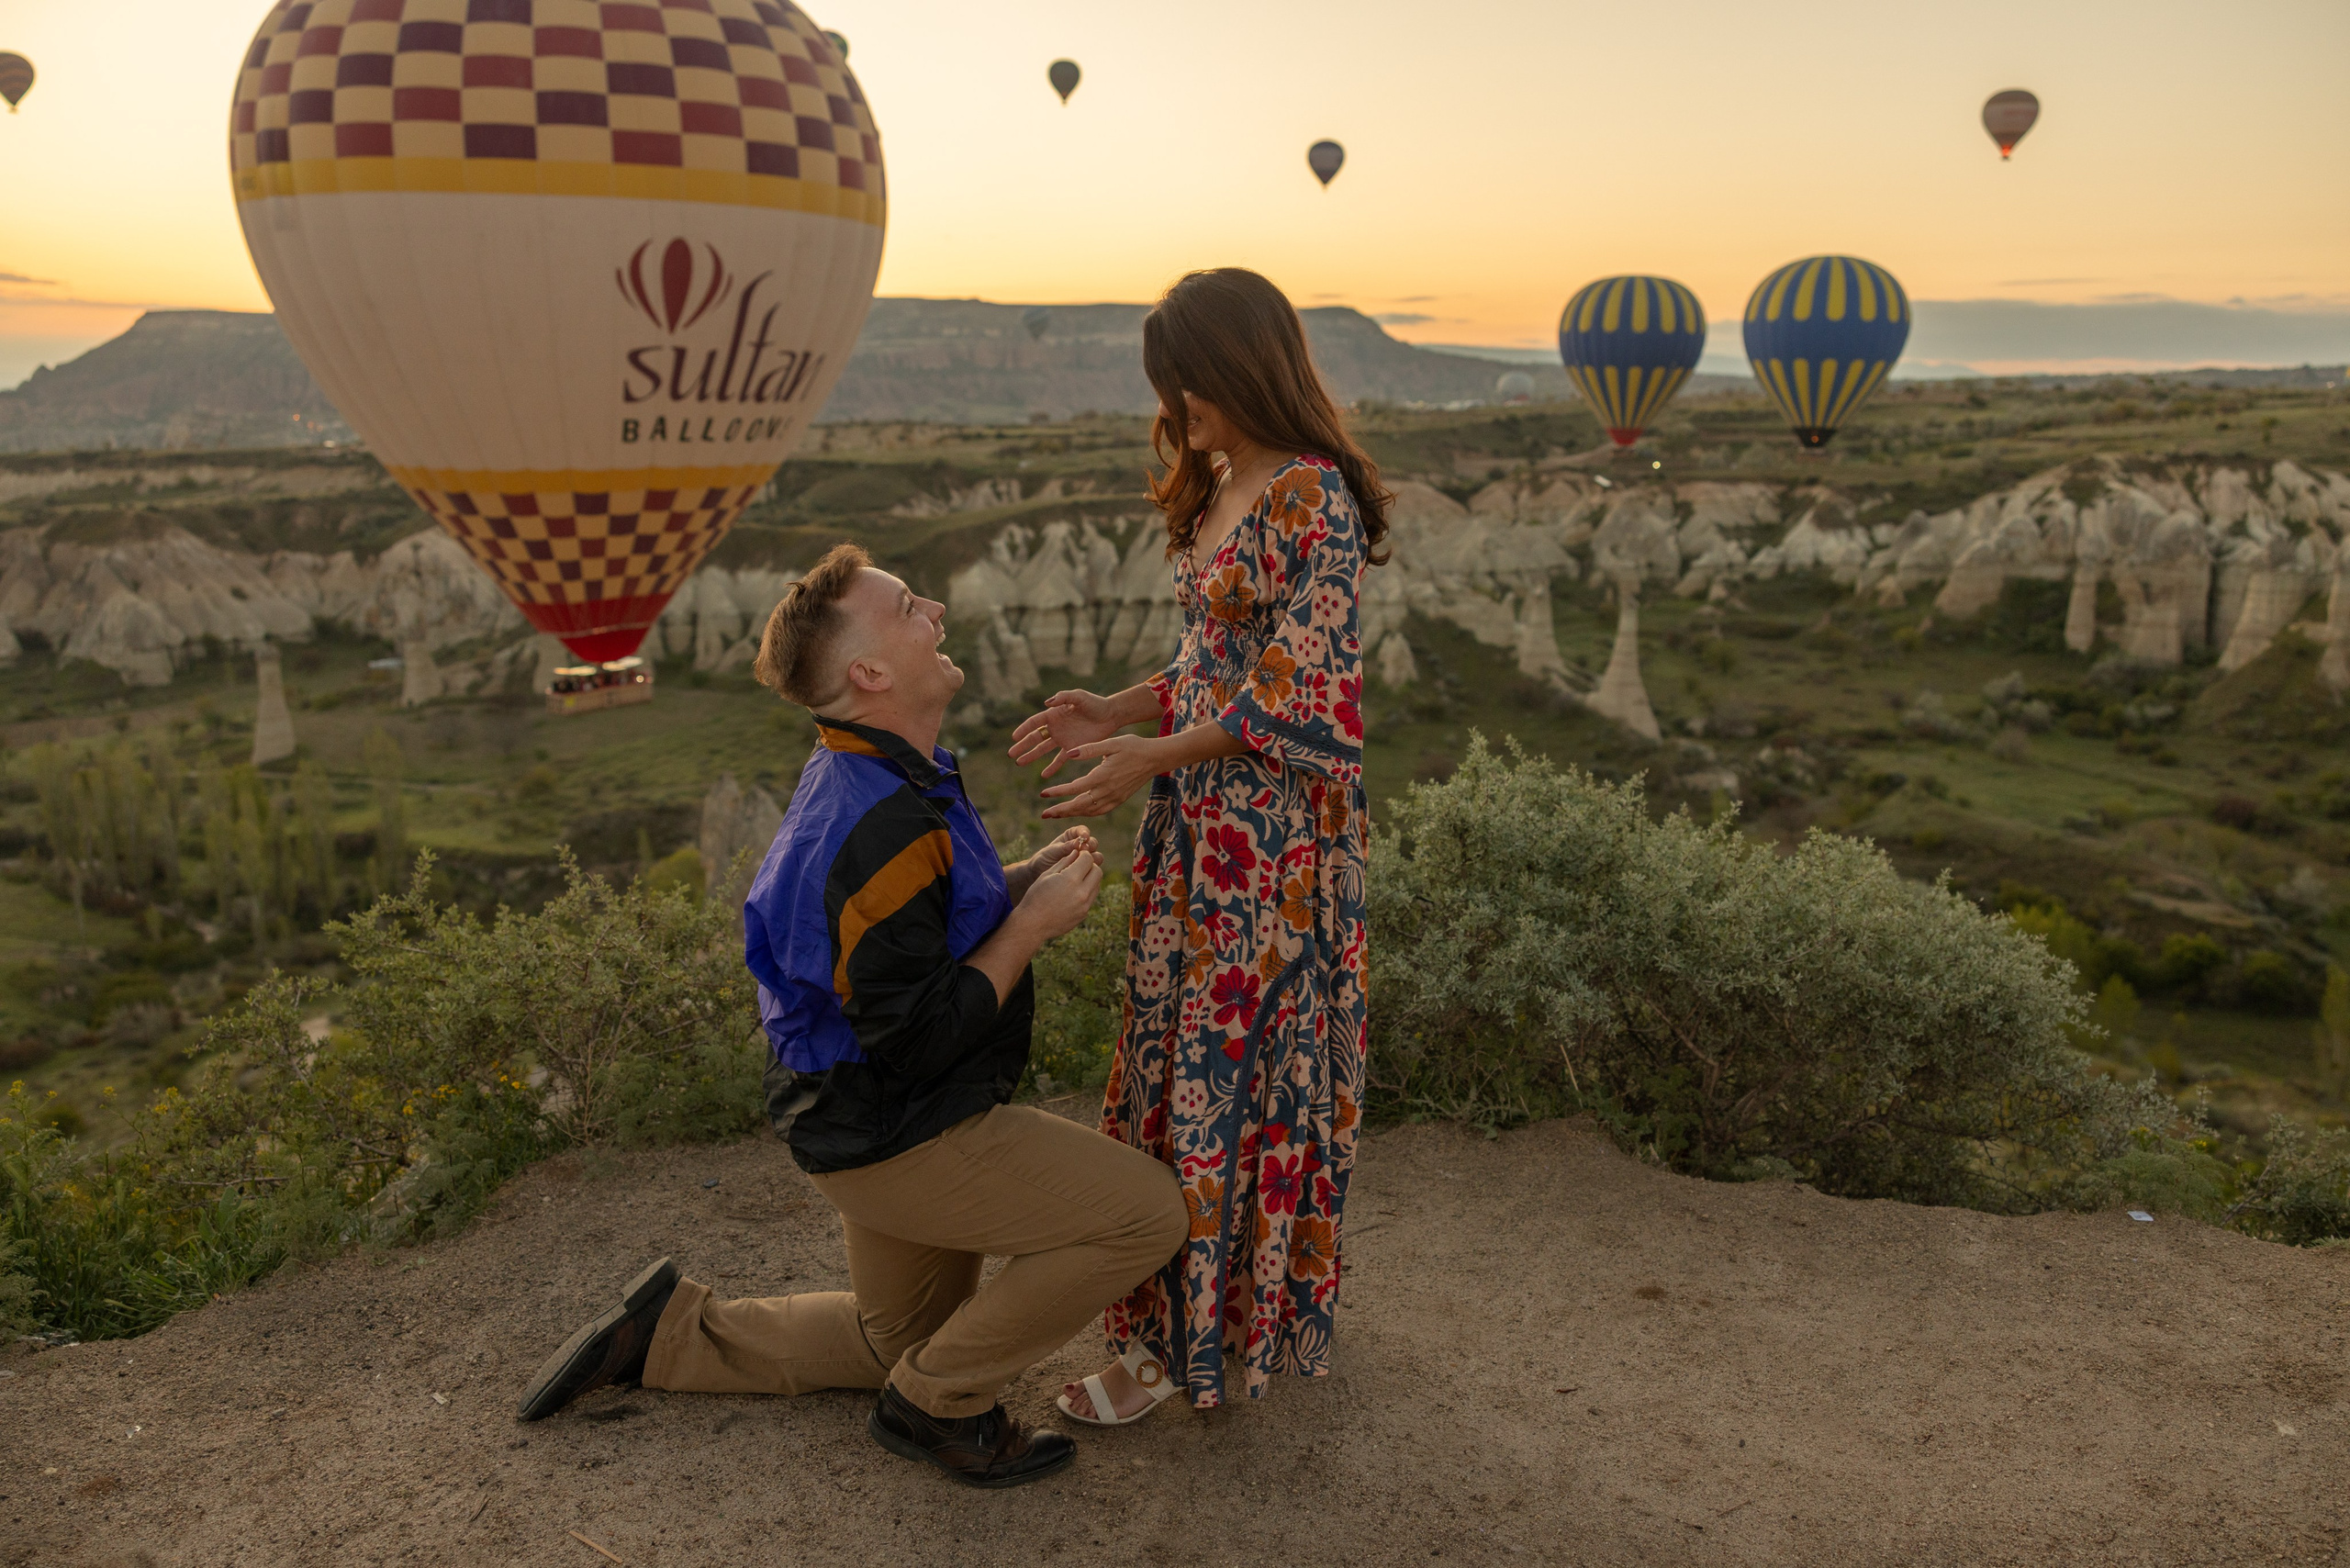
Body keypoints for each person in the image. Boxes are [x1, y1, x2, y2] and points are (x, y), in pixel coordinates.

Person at [517, 543, 1189, 1489]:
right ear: (870, 673)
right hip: (899, 1129)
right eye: (911, 607)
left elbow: (908, 933)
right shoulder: (877, 823)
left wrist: (1019, 882)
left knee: (894, 1341)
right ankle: (938, 1405)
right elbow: (918, 1035)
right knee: (1146, 1215)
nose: (938, 610)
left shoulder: (876, 773)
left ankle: (669, 1335)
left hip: (850, 1118)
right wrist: (1031, 927)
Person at [1007, 267, 1387, 1423]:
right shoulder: (1225, 482)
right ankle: (1188, 1321)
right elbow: (1209, 662)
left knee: (1234, 1070)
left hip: (1269, 847)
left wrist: (1149, 757)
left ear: (1236, 368)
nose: (1175, 408)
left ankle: (1182, 1347)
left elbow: (1301, 692)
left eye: (1187, 384)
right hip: (1198, 832)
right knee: (1178, 1060)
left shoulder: (1312, 496)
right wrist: (1118, 711)